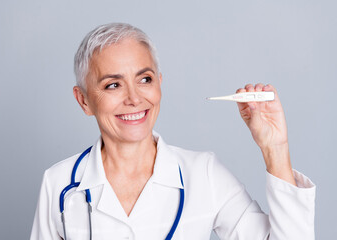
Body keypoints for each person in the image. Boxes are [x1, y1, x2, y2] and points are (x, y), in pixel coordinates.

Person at [30, 23, 316, 240]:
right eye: (113, 85)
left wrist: (274, 148)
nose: (134, 98)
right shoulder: (59, 184)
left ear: (159, 84)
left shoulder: (204, 173)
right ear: (83, 100)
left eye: (145, 79)